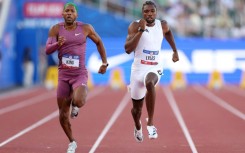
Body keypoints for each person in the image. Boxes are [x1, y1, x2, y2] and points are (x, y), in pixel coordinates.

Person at [45, 2, 108, 153]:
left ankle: (75, 105)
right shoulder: (55, 29)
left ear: (76, 15)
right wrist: (57, 45)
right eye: (66, 11)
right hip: (63, 75)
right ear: (62, 14)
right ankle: (72, 141)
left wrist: (104, 62)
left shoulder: (86, 28)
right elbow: (47, 49)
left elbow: (99, 42)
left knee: (79, 100)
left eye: (72, 11)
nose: (69, 13)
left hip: (79, 74)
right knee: (62, 114)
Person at [124, 1, 179, 143]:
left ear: (156, 12)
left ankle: (151, 123)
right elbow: (128, 49)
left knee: (150, 82)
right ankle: (138, 126)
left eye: (152, 11)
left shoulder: (163, 25)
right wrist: (141, 31)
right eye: (146, 11)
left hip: (155, 66)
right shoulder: (135, 25)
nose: (149, 14)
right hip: (138, 69)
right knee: (136, 111)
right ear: (142, 13)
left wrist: (174, 50)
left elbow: (168, 33)